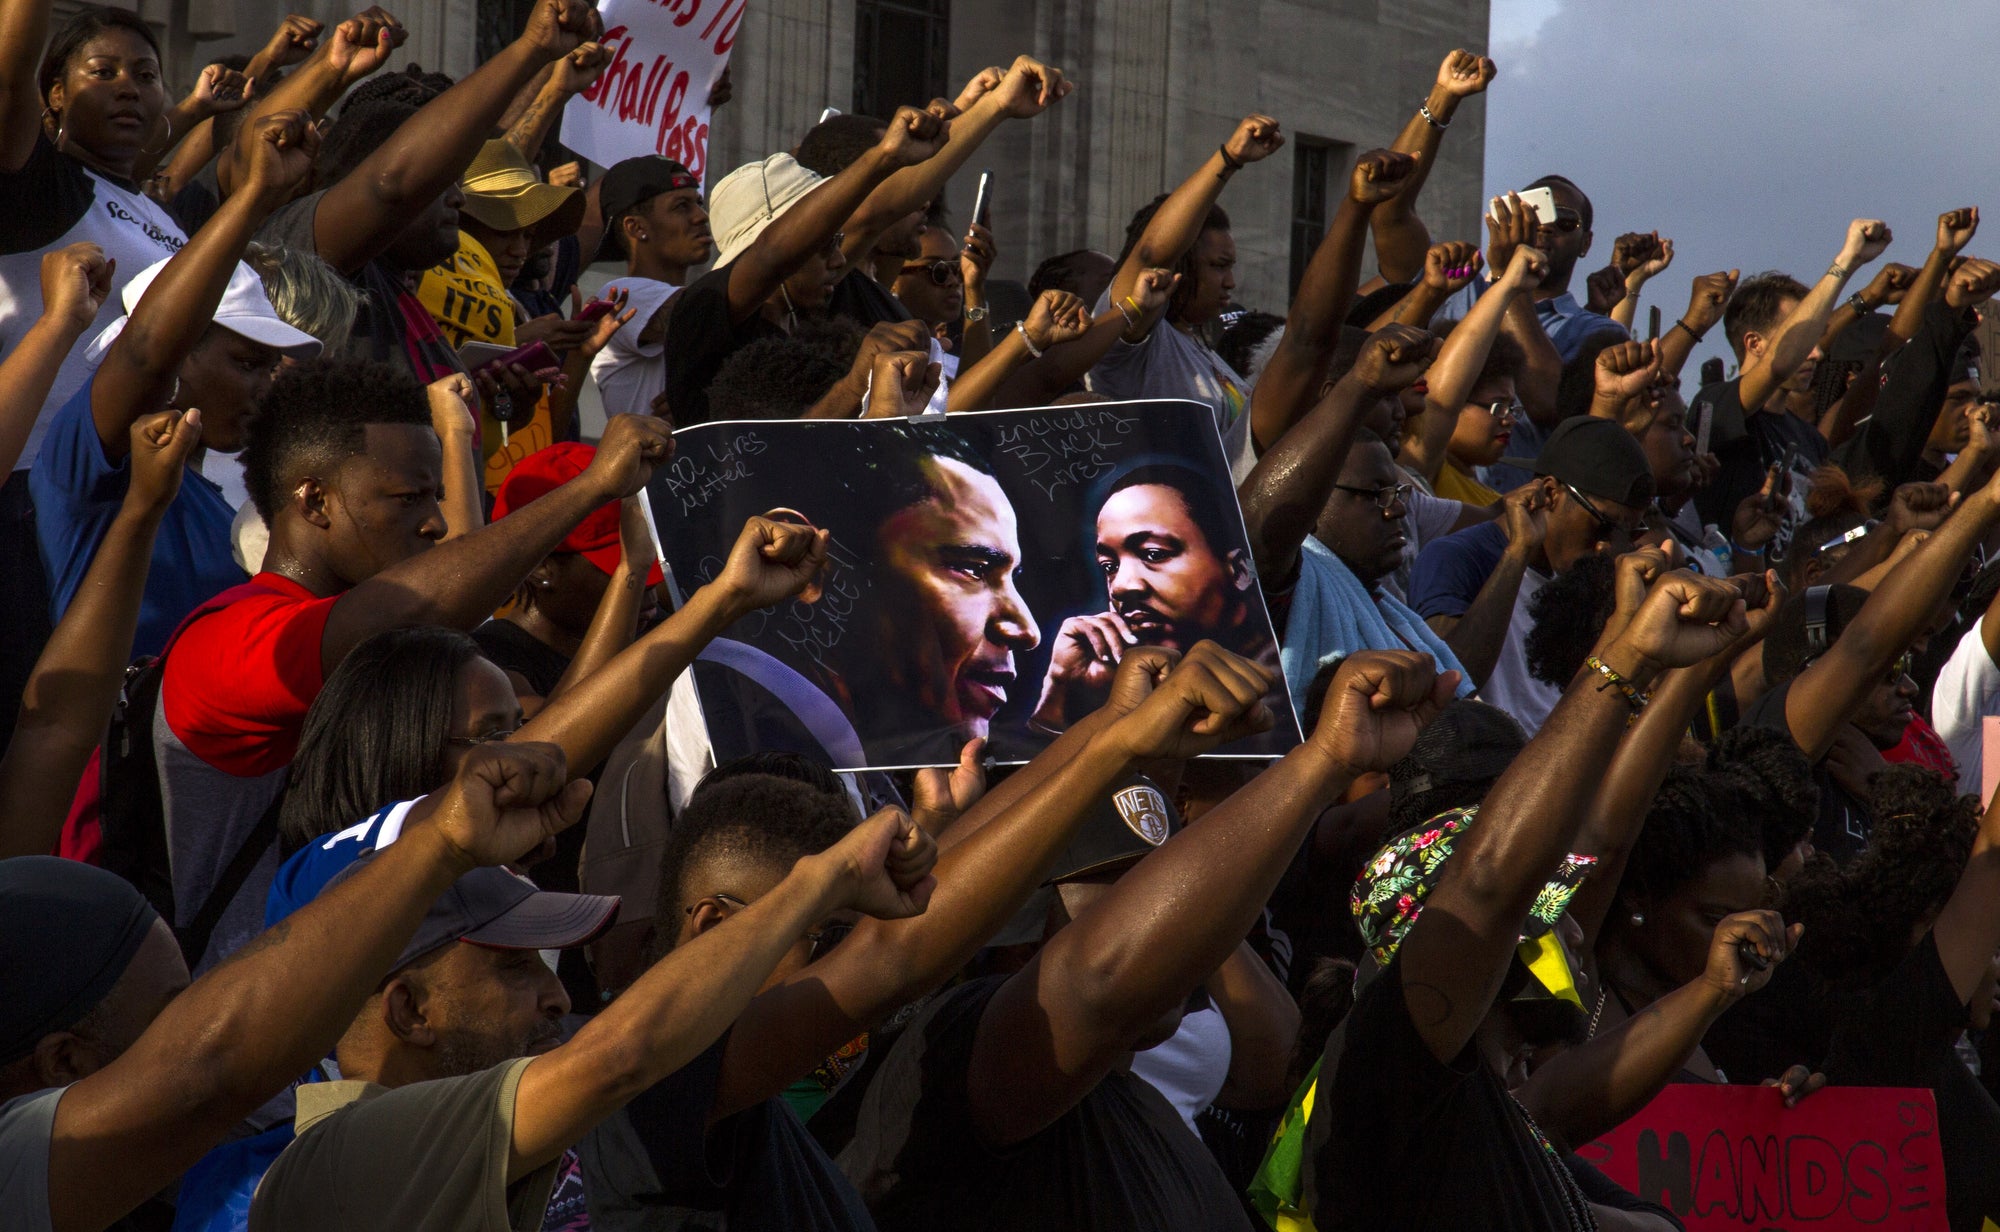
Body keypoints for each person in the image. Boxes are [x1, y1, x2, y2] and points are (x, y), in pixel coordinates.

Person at [142, 356, 671, 970]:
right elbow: (407, 611)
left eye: (437, 495)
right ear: (315, 501)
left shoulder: (376, 643)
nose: (437, 521)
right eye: (406, 498)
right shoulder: (232, 639)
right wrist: (590, 488)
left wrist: (718, 602)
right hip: (226, 1008)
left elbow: (540, 748)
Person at [1304, 568, 1758, 1230]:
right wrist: (1628, 659)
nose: (1575, 934)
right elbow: (1489, 883)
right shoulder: (1394, 1060)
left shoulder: (1504, 1111)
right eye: (1538, 916)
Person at [0, 739, 596, 1232]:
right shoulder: (259, 1195)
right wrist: (441, 842)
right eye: (168, 1024)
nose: (205, 1029)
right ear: (64, 1062)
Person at [32, 109, 323, 658]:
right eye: (248, 364)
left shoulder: (230, 496)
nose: (268, 386)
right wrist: (254, 195)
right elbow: (144, 355)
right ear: (179, 359)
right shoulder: (93, 468)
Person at [1409, 415, 1654, 733]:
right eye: (1602, 524)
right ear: (1551, 493)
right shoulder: (1457, 558)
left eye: (1629, 533)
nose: (1606, 547)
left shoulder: (1583, 577)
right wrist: (1517, 554)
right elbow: (1450, 678)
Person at [1031, 459, 1287, 733]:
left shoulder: (1284, 687)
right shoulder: (1129, 678)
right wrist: (1059, 693)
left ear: (1238, 571)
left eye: (1154, 554)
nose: (1121, 586)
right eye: (1109, 566)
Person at [1088, 114, 1286, 465]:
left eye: (1231, 267)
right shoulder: (1137, 339)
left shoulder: (1201, 348)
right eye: (1217, 266)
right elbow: (1152, 251)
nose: (1231, 282)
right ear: (1178, 265)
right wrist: (1229, 159)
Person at [1400, 245, 1547, 506]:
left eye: (1512, 408)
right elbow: (1441, 402)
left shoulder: (1489, 497)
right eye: (1498, 406)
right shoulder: (1420, 468)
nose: (1510, 420)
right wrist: (1506, 288)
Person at [589, 155, 711, 420]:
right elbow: (707, 312)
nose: (701, 217)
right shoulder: (620, 295)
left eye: (698, 204)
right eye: (681, 207)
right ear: (636, 227)